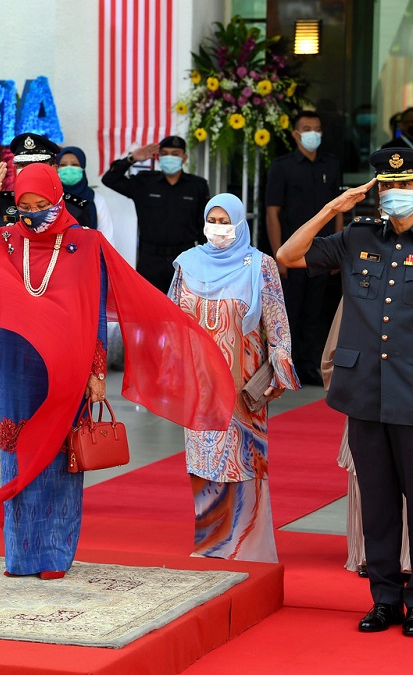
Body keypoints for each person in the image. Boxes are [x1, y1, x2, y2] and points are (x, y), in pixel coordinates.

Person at [0, 163, 236, 579]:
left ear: (58, 199)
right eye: (26, 206)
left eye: (43, 204)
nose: (35, 213)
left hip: (69, 362)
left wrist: (98, 373)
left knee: (62, 458)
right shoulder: (4, 240)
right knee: (17, 455)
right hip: (16, 361)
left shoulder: (85, 243)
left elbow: (95, 312)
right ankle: (21, 555)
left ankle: (55, 555)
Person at [277, 146, 413, 635]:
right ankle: (384, 600)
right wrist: (332, 209)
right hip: (365, 393)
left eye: (405, 186)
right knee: (376, 503)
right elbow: (288, 255)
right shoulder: (356, 237)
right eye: (388, 186)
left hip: (412, 393)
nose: (395, 195)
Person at [170, 193, 299, 563]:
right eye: (213, 220)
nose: (218, 228)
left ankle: (246, 546)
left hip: (243, 383)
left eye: (226, 221)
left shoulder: (260, 265)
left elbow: (277, 322)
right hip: (200, 384)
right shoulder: (187, 264)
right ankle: (211, 544)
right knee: (205, 459)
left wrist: (280, 364)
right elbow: (174, 321)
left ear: (240, 224)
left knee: (241, 459)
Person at [0, 133, 91, 439]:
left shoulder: (74, 208)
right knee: (16, 421)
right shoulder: (1, 206)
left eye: (36, 164)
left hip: (57, 325)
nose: (27, 171)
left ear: (53, 167)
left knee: (58, 424)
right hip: (10, 325)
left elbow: (86, 278)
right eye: (21, 165)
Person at [321, 300, 411, 578]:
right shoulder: (360, 271)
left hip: (407, 398)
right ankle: (379, 575)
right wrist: (348, 393)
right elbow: (334, 354)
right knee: (373, 492)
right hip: (367, 399)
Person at [265, 111, 343, 385]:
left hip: (323, 254)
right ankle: (285, 367)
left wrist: (339, 248)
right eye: (307, 128)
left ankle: (309, 367)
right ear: (295, 134)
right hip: (292, 255)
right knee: (289, 313)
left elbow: (338, 209)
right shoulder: (282, 166)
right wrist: (279, 256)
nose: (313, 133)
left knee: (316, 312)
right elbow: (272, 213)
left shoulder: (331, 165)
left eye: (317, 128)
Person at [101, 135, 210, 293]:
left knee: (184, 311)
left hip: (185, 259)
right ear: (158, 158)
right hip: (150, 260)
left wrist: (206, 262)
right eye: (165, 153)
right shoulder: (145, 182)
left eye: (175, 153)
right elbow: (110, 179)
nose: (169, 157)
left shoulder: (197, 186)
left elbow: (203, 226)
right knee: (149, 311)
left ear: (184, 158)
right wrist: (131, 158)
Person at [57, 146, 114, 244]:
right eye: (63, 165)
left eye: (75, 164)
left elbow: (107, 237)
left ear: (83, 167)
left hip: (88, 255)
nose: (69, 169)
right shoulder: (51, 199)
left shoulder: (96, 200)